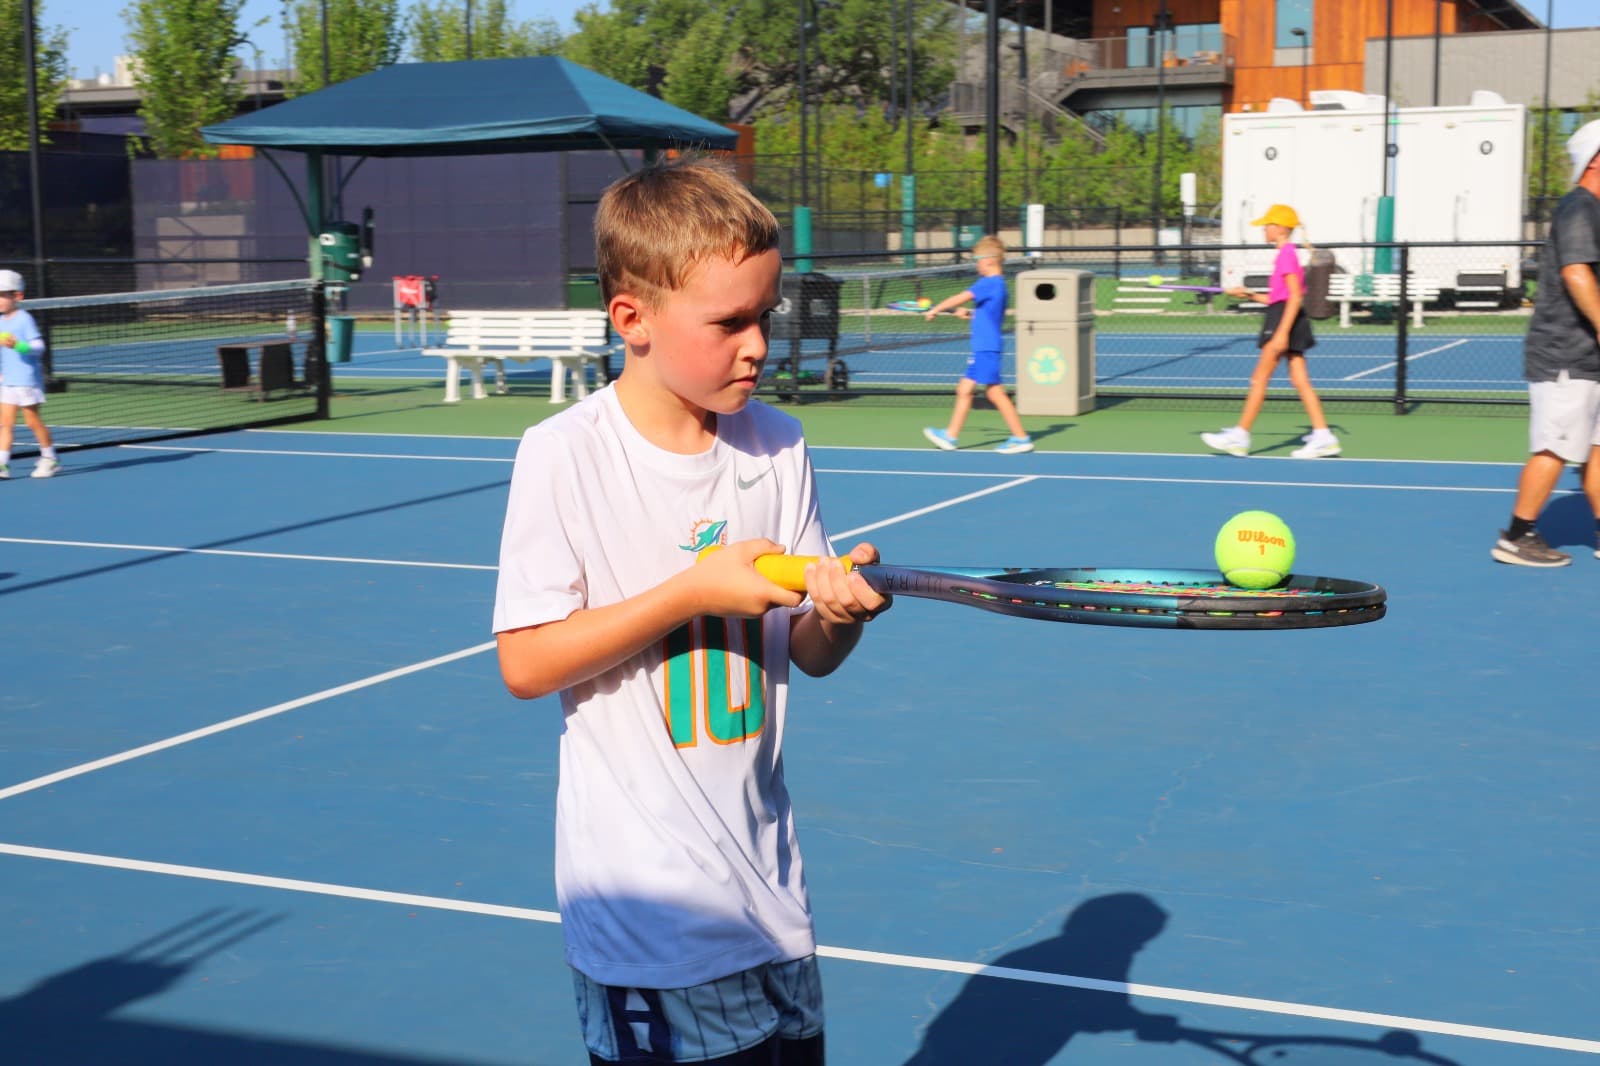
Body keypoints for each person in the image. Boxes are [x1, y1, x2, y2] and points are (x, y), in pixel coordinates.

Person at [493, 157, 889, 1066]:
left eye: (765, 315)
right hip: (650, 911)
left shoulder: (778, 444)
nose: (756, 344)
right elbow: (525, 663)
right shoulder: (564, 455)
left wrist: (843, 609)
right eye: (730, 322)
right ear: (632, 318)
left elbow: (812, 653)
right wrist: (692, 592)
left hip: (769, 889)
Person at [1491, 119, 1600, 567]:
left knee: (1597, 452)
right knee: (1556, 448)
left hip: (1589, 360)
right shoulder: (1580, 207)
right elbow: (1576, 271)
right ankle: (1518, 536)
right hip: (1565, 357)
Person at [1200, 204, 1340, 460]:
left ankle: (1240, 436)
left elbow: (1295, 296)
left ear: (1280, 229)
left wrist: (1281, 333)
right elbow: (1280, 297)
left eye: (1268, 225)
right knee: (1300, 381)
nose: (1264, 229)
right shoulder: (1287, 254)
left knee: (1258, 380)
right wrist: (1248, 293)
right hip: (1290, 316)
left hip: (1283, 320)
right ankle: (1323, 436)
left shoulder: (1286, 255)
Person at [920, 235, 1034, 454]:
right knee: (964, 390)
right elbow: (989, 315)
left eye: (978, 259)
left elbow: (959, 297)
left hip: (986, 346)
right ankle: (950, 436)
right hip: (983, 345)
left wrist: (937, 308)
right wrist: (972, 313)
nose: (976, 264)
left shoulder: (988, 283)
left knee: (994, 393)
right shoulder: (999, 286)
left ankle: (1021, 438)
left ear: (990, 260)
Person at [0, 269, 60, 479]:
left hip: (27, 381)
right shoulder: (0, 322)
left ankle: (50, 458)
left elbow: (38, 346)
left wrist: (18, 345)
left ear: (17, 296)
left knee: (32, 421)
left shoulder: (25, 319)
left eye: (2, 295)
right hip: (8, 382)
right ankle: (3, 464)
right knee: (5, 423)